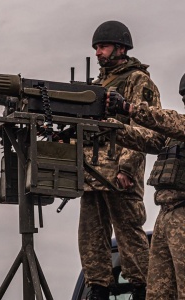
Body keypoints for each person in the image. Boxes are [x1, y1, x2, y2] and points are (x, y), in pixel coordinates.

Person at [79, 20, 162, 300]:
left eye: (102, 46)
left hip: (118, 172)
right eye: (96, 48)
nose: (98, 52)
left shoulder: (138, 80)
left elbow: (145, 128)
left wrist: (127, 167)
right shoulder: (97, 85)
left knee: (128, 235)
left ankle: (142, 289)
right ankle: (98, 288)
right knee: (91, 236)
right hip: (92, 172)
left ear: (121, 48)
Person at [106, 74, 185, 299]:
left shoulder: (178, 125)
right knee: (158, 291)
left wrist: (130, 108)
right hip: (167, 213)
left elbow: (168, 121)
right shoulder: (173, 136)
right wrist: (108, 126)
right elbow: (145, 139)